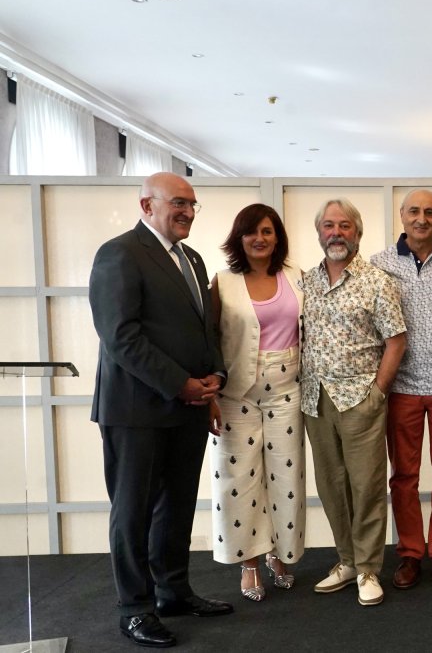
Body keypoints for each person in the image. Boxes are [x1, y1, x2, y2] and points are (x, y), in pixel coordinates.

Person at [89, 172, 231, 648]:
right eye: (178, 203)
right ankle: (134, 608)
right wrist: (180, 384)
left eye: (192, 204)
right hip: (136, 410)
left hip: (188, 407)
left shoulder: (190, 257)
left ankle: (172, 592)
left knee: (176, 507)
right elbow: (120, 337)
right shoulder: (119, 253)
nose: (188, 211)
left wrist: (213, 380)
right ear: (147, 205)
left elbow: (202, 329)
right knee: (133, 513)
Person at [300, 198, 407, 607]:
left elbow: (396, 340)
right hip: (315, 400)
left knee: (366, 487)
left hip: (361, 398)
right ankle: (346, 560)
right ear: (319, 232)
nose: (336, 233)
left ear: (357, 233)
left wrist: (378, 391)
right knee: (331, 485)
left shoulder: (377, 281)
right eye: (329, 225)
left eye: (345, 226)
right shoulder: (305, 282)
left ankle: (367, 569)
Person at [369, 189, 432, 589]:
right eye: (414, 211)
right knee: (404, 475)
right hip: (401, 386)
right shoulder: (379, 264)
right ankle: (411, 554)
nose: (421, 219)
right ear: (402, 215)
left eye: (430, 212)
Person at [209, 203, 305, 602]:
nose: (260, 239)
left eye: (267, 231)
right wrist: (210, 393)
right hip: (236, 393)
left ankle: (279, 555)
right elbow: (208, 339)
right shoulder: (223, 281)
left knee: (285, 476)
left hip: (288, 388)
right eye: (252, 232)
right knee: (239, 479)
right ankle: (249, 562)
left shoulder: (297, 278)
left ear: (277, 236)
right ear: (239, 237)